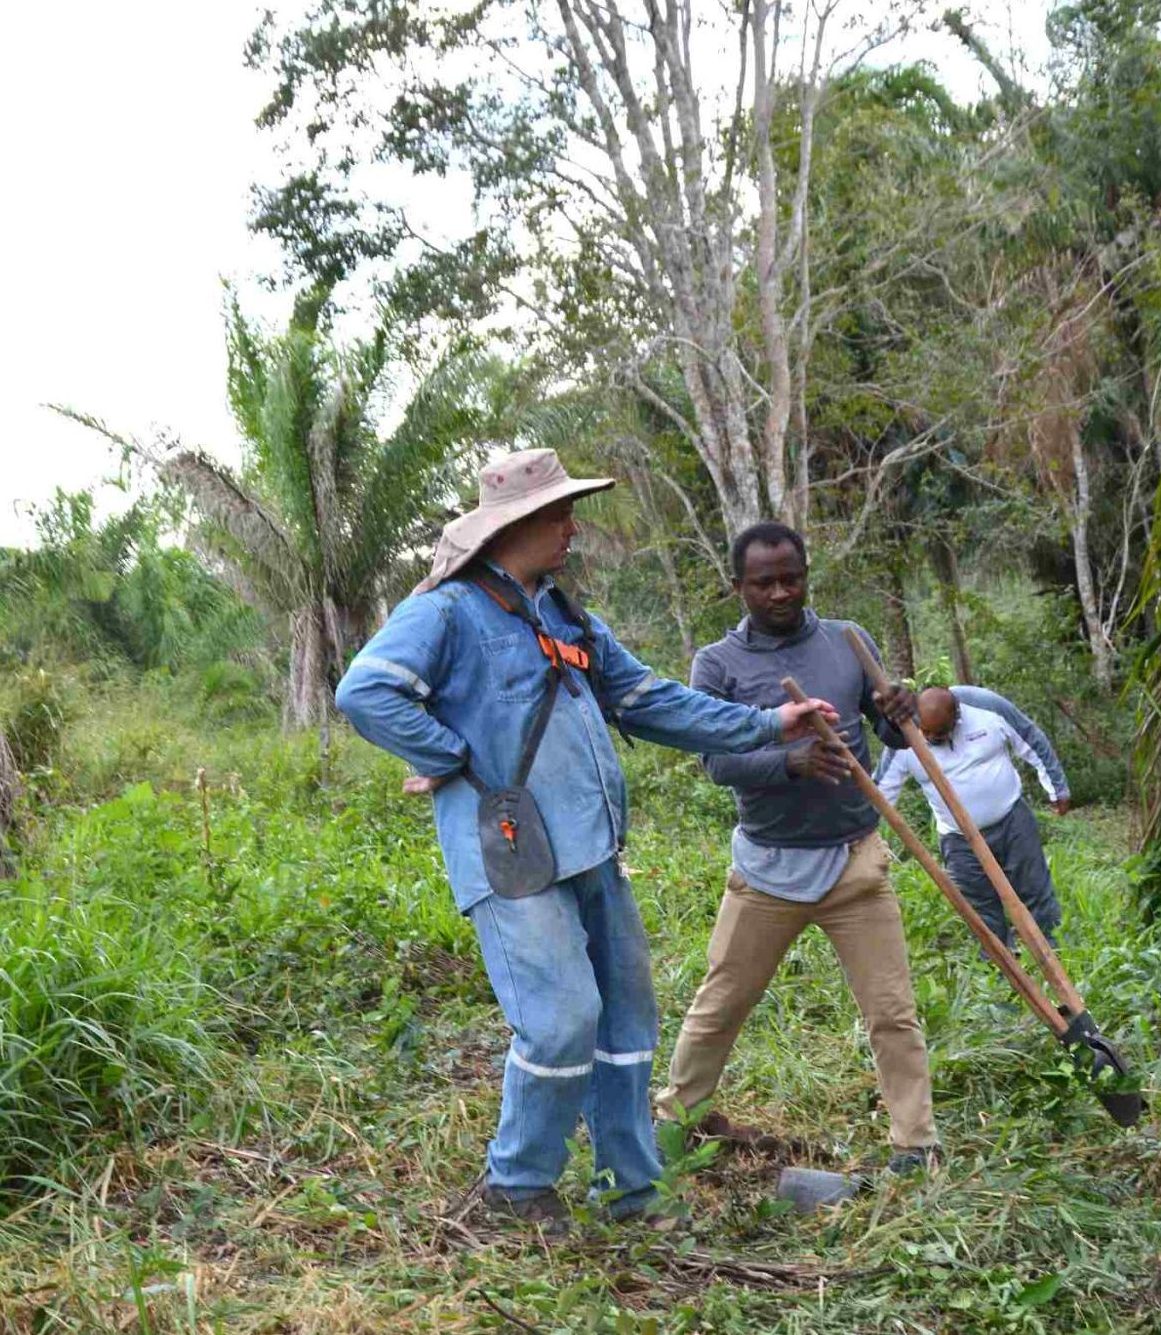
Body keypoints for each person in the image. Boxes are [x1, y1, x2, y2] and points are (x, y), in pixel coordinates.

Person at [334, 451, 836, 1230]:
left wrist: (769, 722)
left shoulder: (564, 615)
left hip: (591, 841)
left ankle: (629, 1189)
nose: (573, 527)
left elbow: (647, 698)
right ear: (517, 525)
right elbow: (366, 690)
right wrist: (454, 757)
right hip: (511, 850)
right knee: (562, 1016)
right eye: (561, 514)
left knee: (627, 1019)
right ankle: (517, 1185)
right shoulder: (448, 611)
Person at [655, 521, 941, 1174]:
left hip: (853, 865)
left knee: (893, 1012)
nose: (781, 592)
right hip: (767, 870)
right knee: (720, 1003)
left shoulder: (848, 641)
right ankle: (674, 1124)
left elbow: (895, 735)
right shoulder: (718, 663)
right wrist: (790, 760)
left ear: (806, 573)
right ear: (739, 587)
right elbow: (716, 762)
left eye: (792, 577)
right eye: (765, 582)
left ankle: (917, 1144)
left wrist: (901, 711)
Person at [875, 685, 1071, 949]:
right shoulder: (906, 733)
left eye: (940, 732)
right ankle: (1000, 966)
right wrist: (864, 833)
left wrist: (1056, 788)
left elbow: (1030, 738)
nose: (931, 738)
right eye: (927, 732)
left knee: (1036, 891)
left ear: (957, 716)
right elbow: (881, 790)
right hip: (959, 840)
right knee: (981, 910)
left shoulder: (985, 706)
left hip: (1012, 821)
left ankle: (1055, 953)